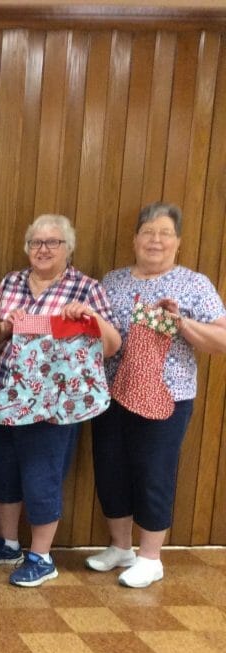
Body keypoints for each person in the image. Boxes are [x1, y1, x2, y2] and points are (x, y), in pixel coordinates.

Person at [0, 214, 120, 586]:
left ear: (67, 249)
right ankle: (8, 544)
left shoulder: (85, 289)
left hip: (54, 408)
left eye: (52, 242)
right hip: (4, 396)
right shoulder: (10, 283)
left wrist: (88, 318)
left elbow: (110, 346)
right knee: (1, 471)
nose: (42, 249)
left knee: (42, 476)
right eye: (36, 243)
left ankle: (41, 556)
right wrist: (8, 325)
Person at [89, 202, 226, 587]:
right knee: (110, 467)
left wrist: (181, 322)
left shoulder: (194, 284)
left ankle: (150, 557)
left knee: (154, 472)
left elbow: (221, 338)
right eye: (148, 232)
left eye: (165, 233)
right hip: (112, 391)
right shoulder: (112, 281)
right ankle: (120, 546)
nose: (155, 240)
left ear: (178, 243)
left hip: (167, 395)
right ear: (134, 239)